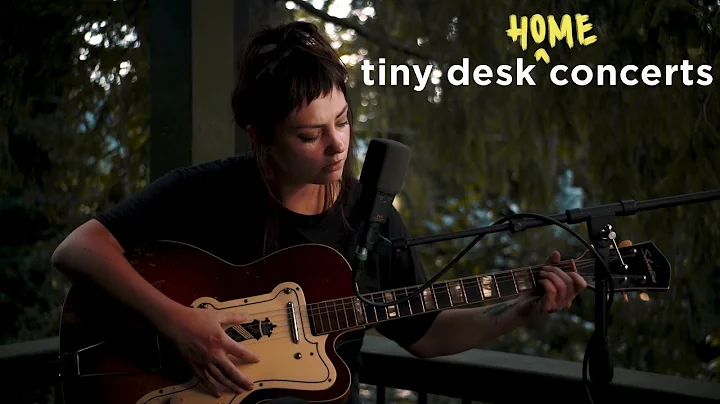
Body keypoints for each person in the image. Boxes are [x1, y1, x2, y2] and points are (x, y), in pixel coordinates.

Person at [51, 21, 587, 403]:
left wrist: (524, 309)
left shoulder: (369, 217)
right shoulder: (210, 191)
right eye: (310, 134)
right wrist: (180, 323)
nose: (337, 146)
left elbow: (426, 333)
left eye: (343, 121)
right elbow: (77, 249)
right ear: (262, 135)